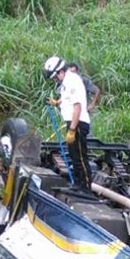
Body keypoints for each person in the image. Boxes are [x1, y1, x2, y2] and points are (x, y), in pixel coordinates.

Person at [43, 55, 91, 189]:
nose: (54, 80)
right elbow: (66, 101)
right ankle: (77, 185)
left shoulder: (72, 81)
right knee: (75, 157)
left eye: (54, 77)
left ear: (60, 71)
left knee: (81, 158)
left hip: (78, 123)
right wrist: (56, 103)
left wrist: (72, 129)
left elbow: (77, 107)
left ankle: (86, 188)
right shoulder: (65, 82)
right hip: (73, 123)